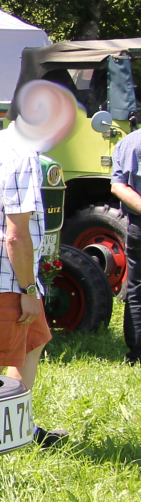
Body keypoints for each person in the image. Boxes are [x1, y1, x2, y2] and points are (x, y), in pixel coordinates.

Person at [0, 79, 77, 444]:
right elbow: (16, 236)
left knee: (34, 340)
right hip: (4, 277)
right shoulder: (22, 157)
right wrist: (27, 288)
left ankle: (16, 428)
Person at [109, 124, 141, 361]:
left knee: (137, 288)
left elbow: (118, 186)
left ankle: (137, 353)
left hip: (137, 225)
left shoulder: (128, 142)